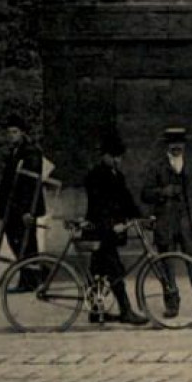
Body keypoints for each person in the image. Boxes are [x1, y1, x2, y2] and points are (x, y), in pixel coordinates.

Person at [140, 127, 192, 319]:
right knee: (167, 267)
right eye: (173, 143)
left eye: (180, 143)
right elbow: (145, 194)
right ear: (167, 145)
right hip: (166, 224)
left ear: (184, 145)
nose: (177, 146)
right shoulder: (157, 166)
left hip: (190, 225)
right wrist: (163, 192)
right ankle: (172, 306)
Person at [83, 129, 146, 325]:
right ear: (104, 156)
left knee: (98, 271)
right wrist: (112, 226)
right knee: (115, 270)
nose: (118, 160)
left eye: (119, 157)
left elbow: (126, 200)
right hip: (100, 230)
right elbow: (97, 207)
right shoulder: (95, 176)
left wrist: (142, 218)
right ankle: (126, 311)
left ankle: (95, 311)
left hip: (108, 232)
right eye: (113, 157)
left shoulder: (117, 175)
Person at [0, 118, 49, 281]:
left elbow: (30, 184)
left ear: (22, 133)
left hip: (23, 207)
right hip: (14, 206)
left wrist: (27, 210)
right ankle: (35, 273)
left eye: (15, 132)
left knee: (24, 241)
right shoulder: (15, 151)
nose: (11, 136)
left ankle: (30, 277)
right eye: (9, 132)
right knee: (18, 240)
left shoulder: (30, 153)